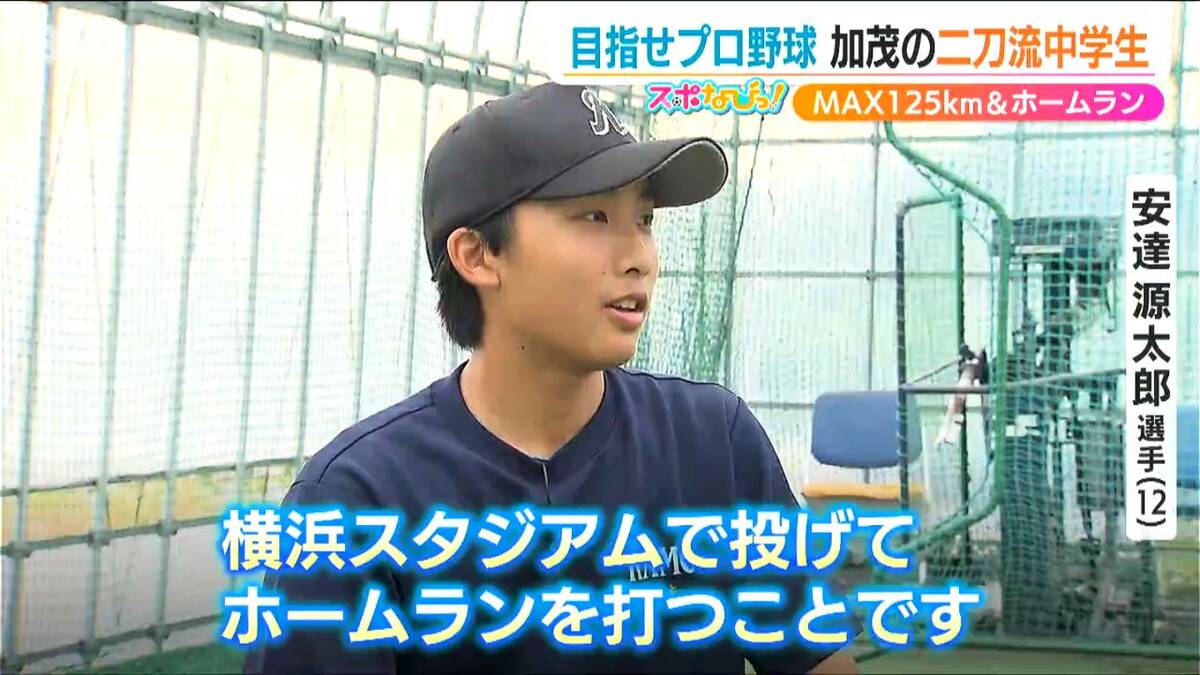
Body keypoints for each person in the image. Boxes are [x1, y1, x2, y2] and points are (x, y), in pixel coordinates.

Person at [243, 82, 860, 675]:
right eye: (594, 216)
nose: (639, 258)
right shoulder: (355, 499)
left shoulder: (713, 442)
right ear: (478, 255)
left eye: (644, 219)